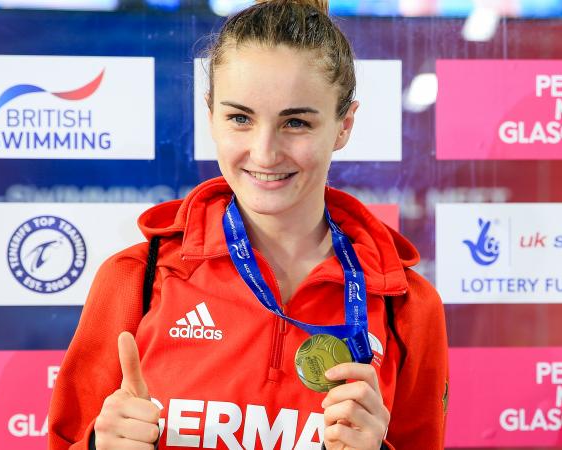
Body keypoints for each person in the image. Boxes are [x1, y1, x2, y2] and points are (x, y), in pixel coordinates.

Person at [48, 0, 448, 449]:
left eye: (296, 122)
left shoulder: (406, 307)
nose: (264, 152)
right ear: (211, 115)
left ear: (343, 126)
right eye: (240, 118)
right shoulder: (136, 279)